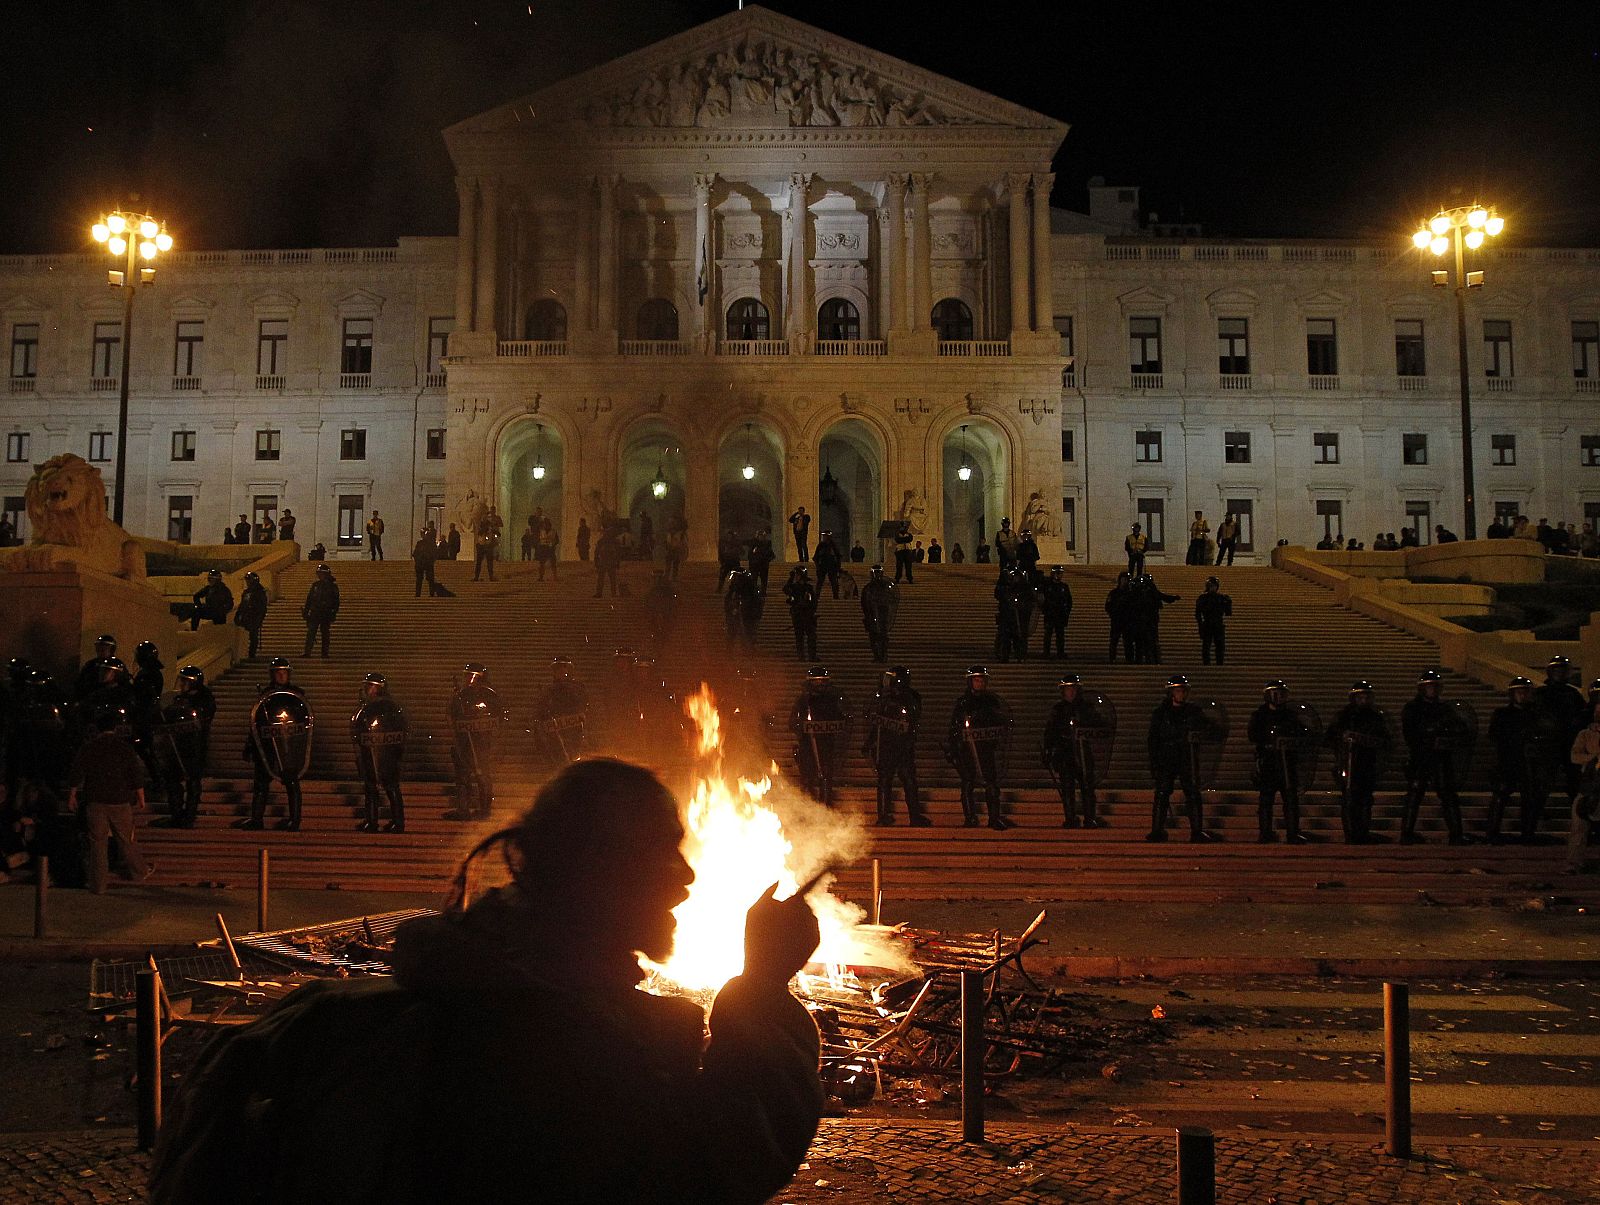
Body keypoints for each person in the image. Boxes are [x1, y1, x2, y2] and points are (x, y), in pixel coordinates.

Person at [150, 759, 824, 1205]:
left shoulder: (429, 995)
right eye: (661, 849)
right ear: (600, 868)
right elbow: (710, 1164)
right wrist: (762, 986)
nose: (686, 875)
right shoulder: (559, 1049)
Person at [66, 709, 153, 893]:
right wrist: (141, 797)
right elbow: (135, 774)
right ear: (115, 728)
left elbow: (77, 772)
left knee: (97, 843)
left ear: (97, 729)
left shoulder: (89, 747)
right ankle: (139, 871)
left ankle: (98, 885)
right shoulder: (124, 747)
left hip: (95, 801)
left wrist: (72, 795)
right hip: (120, 800)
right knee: (126, 839)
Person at [238, 658, 310, 832]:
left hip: (289, 745)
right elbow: (256, 723)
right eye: (278, 672)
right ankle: (256, 819)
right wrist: (250, 745)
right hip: (268, 745)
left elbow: (305, 721)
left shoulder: (296, 696)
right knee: (261, 783)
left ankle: (294, 820)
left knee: (292, 782)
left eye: (284, 672)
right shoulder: (266, 696)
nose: (281, 675)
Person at [1400, 669, 1472, 844]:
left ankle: (1456, 834)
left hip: (1441, 757)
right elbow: (1411, 733)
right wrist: (1430, 734)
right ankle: (1407, 833)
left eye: (1434, 687)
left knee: (1448, 794)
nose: (1431, 690)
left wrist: (1448, 735)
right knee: (1415, 795)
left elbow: (1461, 729)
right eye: (1428, 687)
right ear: (1422, 689)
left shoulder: (1445, 708)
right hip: (1421, 757)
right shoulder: (1412, 708)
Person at [1146, 675, 1218, 843]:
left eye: (1184, 691)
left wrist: (1200, 733)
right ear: (1171, 693)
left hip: (1187, 756)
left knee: (1192, 793)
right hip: (1166, 755)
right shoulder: (1160, 713)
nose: (1182, 694)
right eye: (1178, 691)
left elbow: (1210, 729)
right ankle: (1157, 830)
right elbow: (1153, 738)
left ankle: (1197, 831)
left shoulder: (1194, 712)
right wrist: (1154, 761)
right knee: (1162, 793)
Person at [946, 666, 1012, 830]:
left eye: (982, 680)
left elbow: (1001, 722)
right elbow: (954, 727)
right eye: (976, 680)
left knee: (991, 783)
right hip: (967, 749)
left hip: (986, 748)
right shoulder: (962, 702)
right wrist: (953, 749)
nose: (980, 683)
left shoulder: (992, 701)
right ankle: (970, 818)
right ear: (970, 682)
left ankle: (994, 818)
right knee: (968, 782)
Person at [1487, 677, 1551, 844]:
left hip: (1529, 763)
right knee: (1501, 794)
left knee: (1530, 797)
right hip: (1507, 760)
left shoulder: (1536, 715)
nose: (1522, 696)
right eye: (1519, 692)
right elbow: (1494, 736)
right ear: (1512, 694)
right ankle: (1492, 832)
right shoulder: (1502, 714)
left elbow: (1546, 734)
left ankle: (1527, 833)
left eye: (1525, 692)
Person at [1042, 675, 1110, 829]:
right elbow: (1050, 731)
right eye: (1067, 689)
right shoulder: (1058, 710)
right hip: (1065, 753)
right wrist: (1048, 750)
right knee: (1067, 787)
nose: (1070, 692)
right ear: (1063, 691)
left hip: (1083, 752)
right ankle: (1070, 818)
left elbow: (1100, 725)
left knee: (1087, 785)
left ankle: (1089, 818)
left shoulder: (1087, 708)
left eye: (1073, 688)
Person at [1326, 680, 1391, 844]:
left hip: (1367, 763)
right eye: (1360, 697)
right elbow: (1329, 737)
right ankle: (1351, 834)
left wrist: (1368, 741)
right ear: (1353, 698)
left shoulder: (1376, 717)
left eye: (1366, 697)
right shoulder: (1344, 716)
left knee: (1366, 800)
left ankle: (1363, 833)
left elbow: (1386, 741)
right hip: (1348, 763)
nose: (1363, 701)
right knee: (1349, 799)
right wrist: (1343, 738)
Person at [1247, 680, 1310, 843]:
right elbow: (1252, 735)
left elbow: (1303, 734)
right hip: (1268, 761)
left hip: (1287, 762)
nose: (1279, 697)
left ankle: (1292, 833)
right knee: (1266, 799)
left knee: (1290, 798)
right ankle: (1265, 833)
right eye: (1275, 693)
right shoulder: (1260, 715)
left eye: (1282, 694)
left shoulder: (1290, 715)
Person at [864, 666, 928, 826]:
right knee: (885, 780)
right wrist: (870, 741)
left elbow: (913, 718)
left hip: (903, 744)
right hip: (886, 744)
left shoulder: (911, 697)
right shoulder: (883, 697)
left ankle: (914, 816)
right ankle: (884, 816)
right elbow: (875, 722)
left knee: (908, 780)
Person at [447, 663, 508, 821]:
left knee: (483, 776)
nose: (468, 679)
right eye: (467, 675)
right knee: (462, 777)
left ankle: (485, 809)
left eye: (472, 675)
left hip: (483, 743)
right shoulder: (459, 696)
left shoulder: (491, 696)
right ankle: (463, 809)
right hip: (464, 742)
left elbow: (500, 720)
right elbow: (452, 718)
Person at [156, 665, 215, 828]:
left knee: (193, 781)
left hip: (195, 746)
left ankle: (189, 816)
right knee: (173, 781)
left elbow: (204, 717)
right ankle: (176, 814)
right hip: (177, 745)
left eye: (185, 682)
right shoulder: (177, 700)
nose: (181, 685)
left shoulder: (205, 699)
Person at [351, 672, 407, 833]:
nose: (367, 689)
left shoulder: (390, 707)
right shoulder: (368, 708)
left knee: (390, 786)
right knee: (371, 787)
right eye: (367, 685)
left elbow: (402, 729)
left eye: (371, 686)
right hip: (371, 750)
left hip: (387, 752)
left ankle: (397, 822)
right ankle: (372, 821)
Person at [789, 666, 848, 806]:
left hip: (826, 745)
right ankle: (808, 810)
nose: (820, 685)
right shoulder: (803, 701)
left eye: (822, 681)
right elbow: (792, 722)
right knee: (807, 779)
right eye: (816, 681)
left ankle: (825, 809)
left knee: (826, 777)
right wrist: (802, 727)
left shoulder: (833, 700)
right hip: (807, 746)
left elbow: (842, 720)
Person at [1536, 655, 1588, 811]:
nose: (1560, 673)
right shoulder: (1541, 694)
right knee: (1543, 781)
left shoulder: (1573, 695)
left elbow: (1582, 716)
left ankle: (1577, 811)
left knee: (1574, 779)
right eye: (1557, 670)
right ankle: (1536, 812)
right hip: (1548, 743)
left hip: (1569, 742)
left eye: (1562, 670)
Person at [533, 657, 588, 764]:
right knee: (558, 752)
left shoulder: (578, 687)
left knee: (574, 750)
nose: (561, 672)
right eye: (558, 669)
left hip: (574, 724)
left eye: (564, 668)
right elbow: (542, 707)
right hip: (556, 724)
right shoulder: (548, 689)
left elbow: (584, 703)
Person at [1568, 705, 1600, 872]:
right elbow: (1575, 756)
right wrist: (1593, 758)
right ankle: (1574, 863)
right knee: (1579, 826)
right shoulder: (1586, 734)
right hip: (1589, 786)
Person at [1131, 573, 1179, 664]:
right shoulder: (1141, 593)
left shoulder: (1151, 593)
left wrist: (1173, 598)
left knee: (1148, 642)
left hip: (1149, 622)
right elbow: (1163, 597)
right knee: (1145, 642)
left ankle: (1150, 660)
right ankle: (1147, 660)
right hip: (1143, 622)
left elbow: (1163, 597)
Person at [992, 566, 1033, 663]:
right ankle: (1004, 656)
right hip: (1006, 616)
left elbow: (1029, 598)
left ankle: (1020, 656)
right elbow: (998, 595)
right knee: (1005, 637)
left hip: (1019, 616)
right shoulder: (1004, 586)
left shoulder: (1024, 587)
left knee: (1019, 638)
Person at [858, 564, 898, 663]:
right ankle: (877, 655)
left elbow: (891, 599)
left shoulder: (884, 586)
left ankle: (883, 655)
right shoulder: (869, 587)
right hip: (872, 614)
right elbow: (864, 601)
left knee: (882, 636)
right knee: (874, 637)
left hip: (882, 614)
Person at [301, 563, 340, 657]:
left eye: (321, 573)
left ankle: (325, 653)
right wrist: (306, 612)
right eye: (318, 573)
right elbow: (309, 599)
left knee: (325, 634)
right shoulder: (315, 585)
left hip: (325, 613)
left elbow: (336, 602)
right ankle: (307, 652)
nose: (319, 575)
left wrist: (333, 613)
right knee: (311, 633)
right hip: (315, 613)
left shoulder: (333, 587)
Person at [1195, 576, 1233, 666]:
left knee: (1220, 646)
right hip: (1207, 624)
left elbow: (1228, 613)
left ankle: (1219, 664)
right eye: (1211, 586)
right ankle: (1206, 664)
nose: (1213, 588)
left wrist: (1228, 603)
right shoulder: (1203, 598)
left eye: (1214, 586)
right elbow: (1198, 614)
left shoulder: (1222, 598)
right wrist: (1200, 626)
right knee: (1206, 646)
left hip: (1218, 624)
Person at [783, 566, 819, 661]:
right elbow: (786, 589)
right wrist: (790, 578)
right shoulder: (794, 587)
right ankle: (801, 656)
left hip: (807, 615)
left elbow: (814, 602)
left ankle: (812, 656)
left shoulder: (808, 588)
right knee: (799, 637)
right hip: (798, 615)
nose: (796, 577)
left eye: (797, 575)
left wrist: (811, 612)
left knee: (811, 637)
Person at [74, 634, 121, 701]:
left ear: (111, 649)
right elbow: (81, 684)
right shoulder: (90, 664)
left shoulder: (117, 665)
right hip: (93, 700)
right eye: (99, 648)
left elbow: (123, 685)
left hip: (112, 701)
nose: (100, 650)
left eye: (104, 648)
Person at [722, 567, 760, 650]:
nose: (733, 578)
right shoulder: (734, 587)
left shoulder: (747, 587)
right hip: (736, 612)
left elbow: (753, 601)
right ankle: (733, 647)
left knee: (746, 631)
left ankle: (746, 647)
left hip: (745, 612)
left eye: (734, 575)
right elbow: (729, 599)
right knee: (734, 631)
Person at [234, 571, 269, 659]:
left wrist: (259, 618)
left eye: (249, 580)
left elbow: (262, 607)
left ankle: (251, 653)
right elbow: (242, 605)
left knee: (253, 636)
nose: (247, 582)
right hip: (245, 616)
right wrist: (238, 615)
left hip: (254, 617)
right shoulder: (246, 592)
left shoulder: (260, 592)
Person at [1039, 566, 1072, 658]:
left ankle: (1060, 652)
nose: (1058, 575)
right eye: (1057, 573)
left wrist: (1066, 612)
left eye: (1060, 573)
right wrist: (1045, 610)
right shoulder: (1047, 586)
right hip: (1050, 614)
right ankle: (1046, 652)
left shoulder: (1064, 587)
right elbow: (1042, 600)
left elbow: (1069, 601)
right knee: (1048, 634)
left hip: (1060, 614)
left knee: (1060, 635)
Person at [644, 569, 678, 650]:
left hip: (663, 611)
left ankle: (661, 644)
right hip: (658, 612)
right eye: (655, 577)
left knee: (662, 630)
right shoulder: (658, 589)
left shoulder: (665, 589)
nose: (657, 579)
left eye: (658, 577)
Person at [1105, 572, 1133, 664]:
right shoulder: (1113, 593)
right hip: (1117, 621)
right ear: (1120, 580)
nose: (1126, 581)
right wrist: (1113, 614)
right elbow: (1108, 606)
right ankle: (1112, 658)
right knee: (1114, 641)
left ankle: (1129, 659)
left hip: (1128, 621)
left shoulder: (1131, 594)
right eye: (1124, 579)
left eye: (1127, 579)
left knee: (1128, 642)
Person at [593, 525, 622, 598]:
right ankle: (612, 593)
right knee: (610, 578)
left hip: (605, 561)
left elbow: (597, 552)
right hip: (608, 562)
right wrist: (617, 562)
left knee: (603, 578)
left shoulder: (603, 541)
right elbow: (618, 553)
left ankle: (600, 593)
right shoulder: (613, 541)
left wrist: (596, 561)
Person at [814, 531, 843, 600]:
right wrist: (818, 566)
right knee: (820, 582)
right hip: (823, 565)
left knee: (833, 582)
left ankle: (836, 596)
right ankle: (816, 596)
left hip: (831, 566)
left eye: (825, 536)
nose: (824, 537)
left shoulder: (833, 545)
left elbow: (838, 556)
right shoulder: (821, 545)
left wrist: (838, 568)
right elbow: (816, 557)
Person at [413, 527, 441, 597]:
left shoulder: (423, 544)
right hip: (424, 564)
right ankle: (420, 593)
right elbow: (415, 554)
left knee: (427, 579)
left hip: (425, 563)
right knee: (425, 579)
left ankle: (421, 593)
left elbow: (415, 554)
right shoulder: (422, 543)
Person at [473, 511, 499, 582]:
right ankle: (476, 577)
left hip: (488, 545)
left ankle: (491, 576)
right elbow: (479, 532)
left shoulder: (490, 525)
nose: (485, 518)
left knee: (489, 562)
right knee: (479, 562)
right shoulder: (480, 524)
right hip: (481, 545)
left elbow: (496, 532)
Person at [748, 528, 776, 595]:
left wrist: (766, 559)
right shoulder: (753, 544)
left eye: (762, 536)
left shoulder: (767, 544)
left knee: (763, 580)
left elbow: (772, 555)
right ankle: (754, 592)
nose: (761, 537)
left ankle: (763, 592)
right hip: (755, 565)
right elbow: (750, 555)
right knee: (754, 579)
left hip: (763, 565)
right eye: (760, 535)